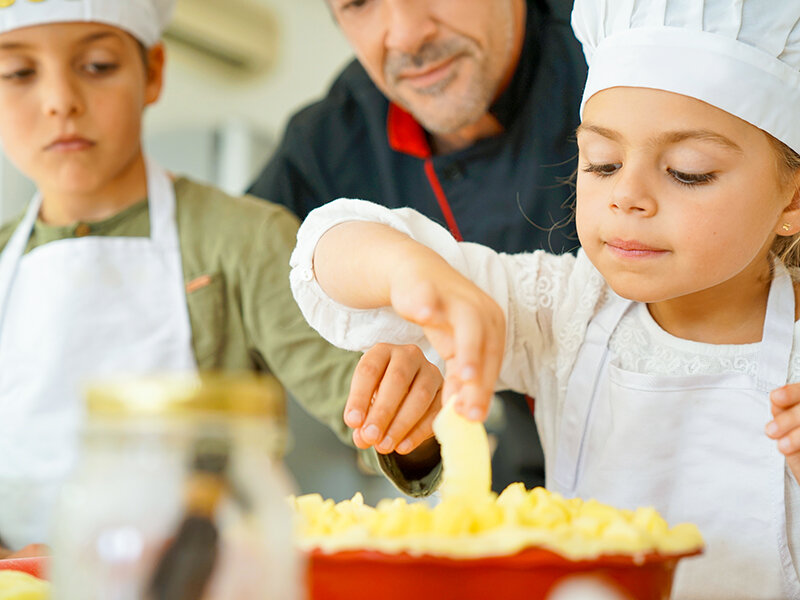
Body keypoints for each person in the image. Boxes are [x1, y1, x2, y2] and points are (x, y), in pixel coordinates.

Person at [289, 0, 800, 596]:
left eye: (687, 171)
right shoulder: (565, 307)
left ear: (790, 200)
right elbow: (325, 248)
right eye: (603, 164)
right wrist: (415, 273)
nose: (627, 197)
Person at [0, 0, 441, 557]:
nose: (60, 101)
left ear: (153, 72)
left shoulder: (243, 239)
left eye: (97, 66)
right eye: (17, 73)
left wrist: (408, 412)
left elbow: (362, 400)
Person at [248, 0, 588, 492]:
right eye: (359, 2)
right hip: (522, 492)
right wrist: (404, 411)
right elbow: (287, 268)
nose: (406, 34)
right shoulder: (332, 139)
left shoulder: (613, 46)